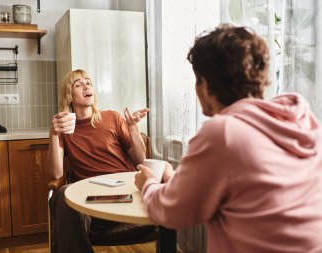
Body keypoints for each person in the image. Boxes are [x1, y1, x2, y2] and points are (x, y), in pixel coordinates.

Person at [135, 24, 322, 253]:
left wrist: (148, 184)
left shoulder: (224, 132)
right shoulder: (301, 122)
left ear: (205, 84)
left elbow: (172, 212)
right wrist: (175, 179)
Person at [48, 69, 150, 253]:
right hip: (90, 200)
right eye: (78, 84)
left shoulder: (112, 117)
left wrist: (133, 127)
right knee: (62, 195)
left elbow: (141, 160)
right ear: (69, 96)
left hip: (124, 193)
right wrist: (54, 134)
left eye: (88, 82)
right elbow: (56, 174)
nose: (86, 86)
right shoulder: (65, 130)